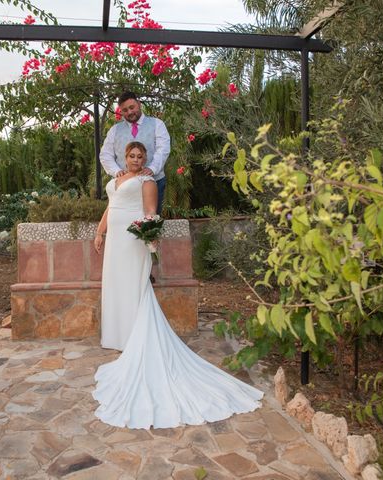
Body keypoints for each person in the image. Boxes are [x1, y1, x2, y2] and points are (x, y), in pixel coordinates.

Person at [92, 141, 263, 430]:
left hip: (132, 239)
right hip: (114, 239)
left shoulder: (146, 180)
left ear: (145, 159)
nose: (135, 159)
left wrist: (149, 238)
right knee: (117, 285)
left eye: (140, 156)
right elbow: (111, 207)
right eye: (131, 155)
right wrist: (99, 232)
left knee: (135, 286)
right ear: (125, 157)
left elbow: (150, 211)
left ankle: (136, 339)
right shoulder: (117, 179)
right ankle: (119, 336)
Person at [99, 91, 170, 214]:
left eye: (132, 107)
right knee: (125, 219)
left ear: (139, 104)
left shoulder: (157, 124)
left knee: (151, 221)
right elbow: (105, 155)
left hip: (153, 181)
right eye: (125, 110)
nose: (130, 112)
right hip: (125, 185)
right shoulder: (114, 130)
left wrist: (152, 168)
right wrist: (117, 171)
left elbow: (163, 149)